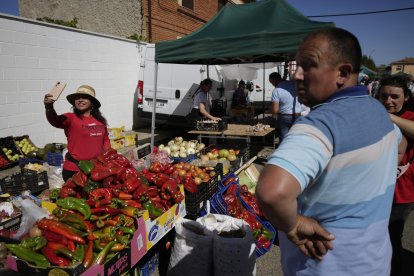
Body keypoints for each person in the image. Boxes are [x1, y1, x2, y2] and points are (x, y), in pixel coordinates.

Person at [256, 27, 405, 276]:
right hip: (374, 263)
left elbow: (273, 193)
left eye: (308, 65)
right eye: (296, 65)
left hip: (324, 267)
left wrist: (293, 224)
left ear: (343, 73)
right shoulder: (378, 111)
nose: (296, 74)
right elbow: (400, 145)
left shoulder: (320, 125)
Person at [377, 75, 414, 276]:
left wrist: (390, 118)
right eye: (384, 96)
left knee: (392, 238)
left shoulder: (409, 116)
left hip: (401, 191)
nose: (388, 101)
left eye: (394, 96)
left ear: (406, 97)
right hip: (376, 189)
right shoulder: (373, 114)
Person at [44, 85, 111, 181]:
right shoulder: (71, 118)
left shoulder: (100, 121)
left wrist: (108, 158)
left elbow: (105, 141)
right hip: (74, 170)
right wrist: (49, 107)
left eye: (84, 97)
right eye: (77, 98)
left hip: (96, 169)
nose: (80, 100)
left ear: (92, 103)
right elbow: (54, 120)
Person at [269, 72, 301, 142]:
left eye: (271, 82)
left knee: (284, 139)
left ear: (274, 80)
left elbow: (275, 110)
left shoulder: (276, 90)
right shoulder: (293, 84)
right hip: (298, 115)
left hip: (284, 117)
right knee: (296, 138)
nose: (272, 84)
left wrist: (272, 112)